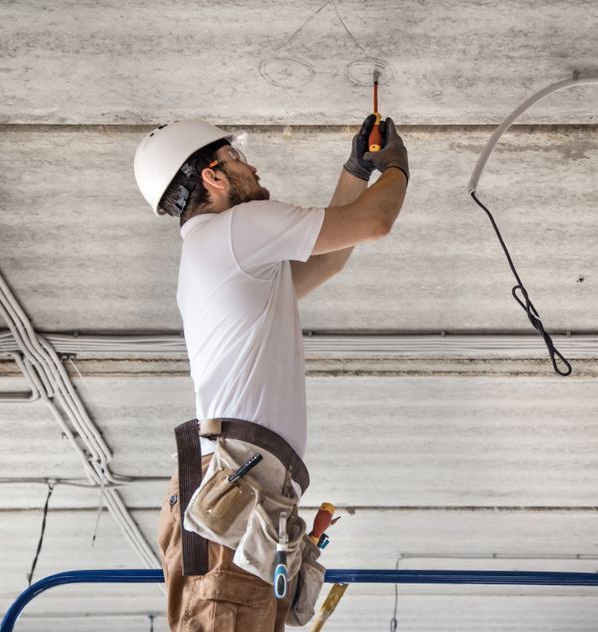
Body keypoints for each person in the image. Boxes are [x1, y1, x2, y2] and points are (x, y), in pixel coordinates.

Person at [133, 115, 408, 631]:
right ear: (212, 177)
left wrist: (356, 172)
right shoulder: (234, 230)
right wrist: (396, 167)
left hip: (238, 494)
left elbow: (327, 260)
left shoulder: (219, 251)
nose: (251, 165)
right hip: (236, 495)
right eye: (236, 157)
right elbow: (375, 223)